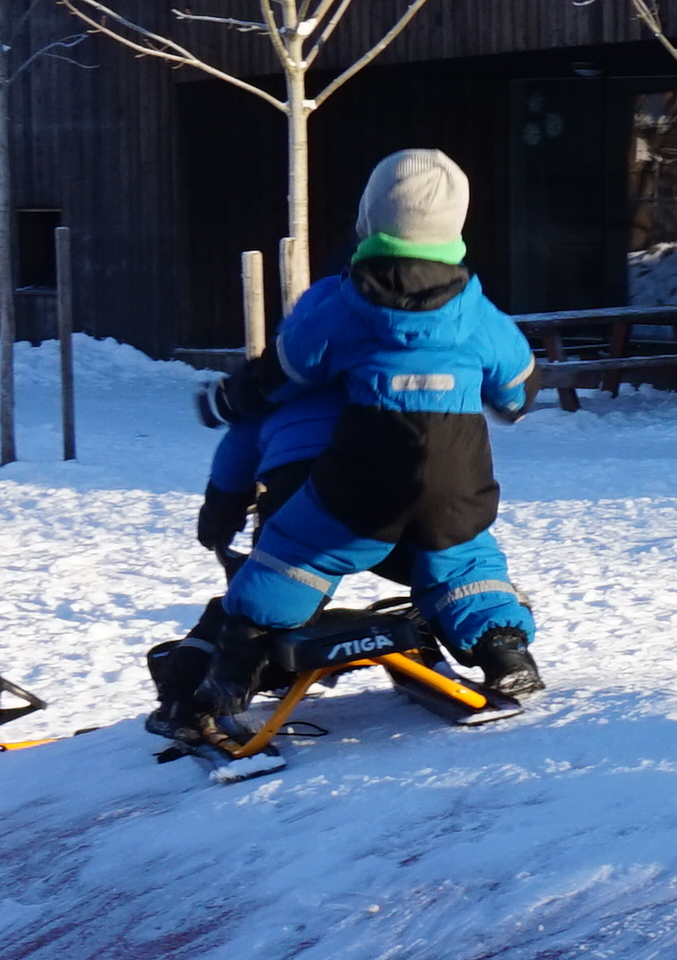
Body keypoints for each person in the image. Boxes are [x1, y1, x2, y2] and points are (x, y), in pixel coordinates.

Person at [152, 149, 543, 729]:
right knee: (464, 557)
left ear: (368, 218)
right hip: (461, 475)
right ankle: (505, 652)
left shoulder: (339, 304)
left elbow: (284, 370)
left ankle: (230, 673)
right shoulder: (479, 311)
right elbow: (517, 393)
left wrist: (230, 401)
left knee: (296, 552)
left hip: (365, 476)